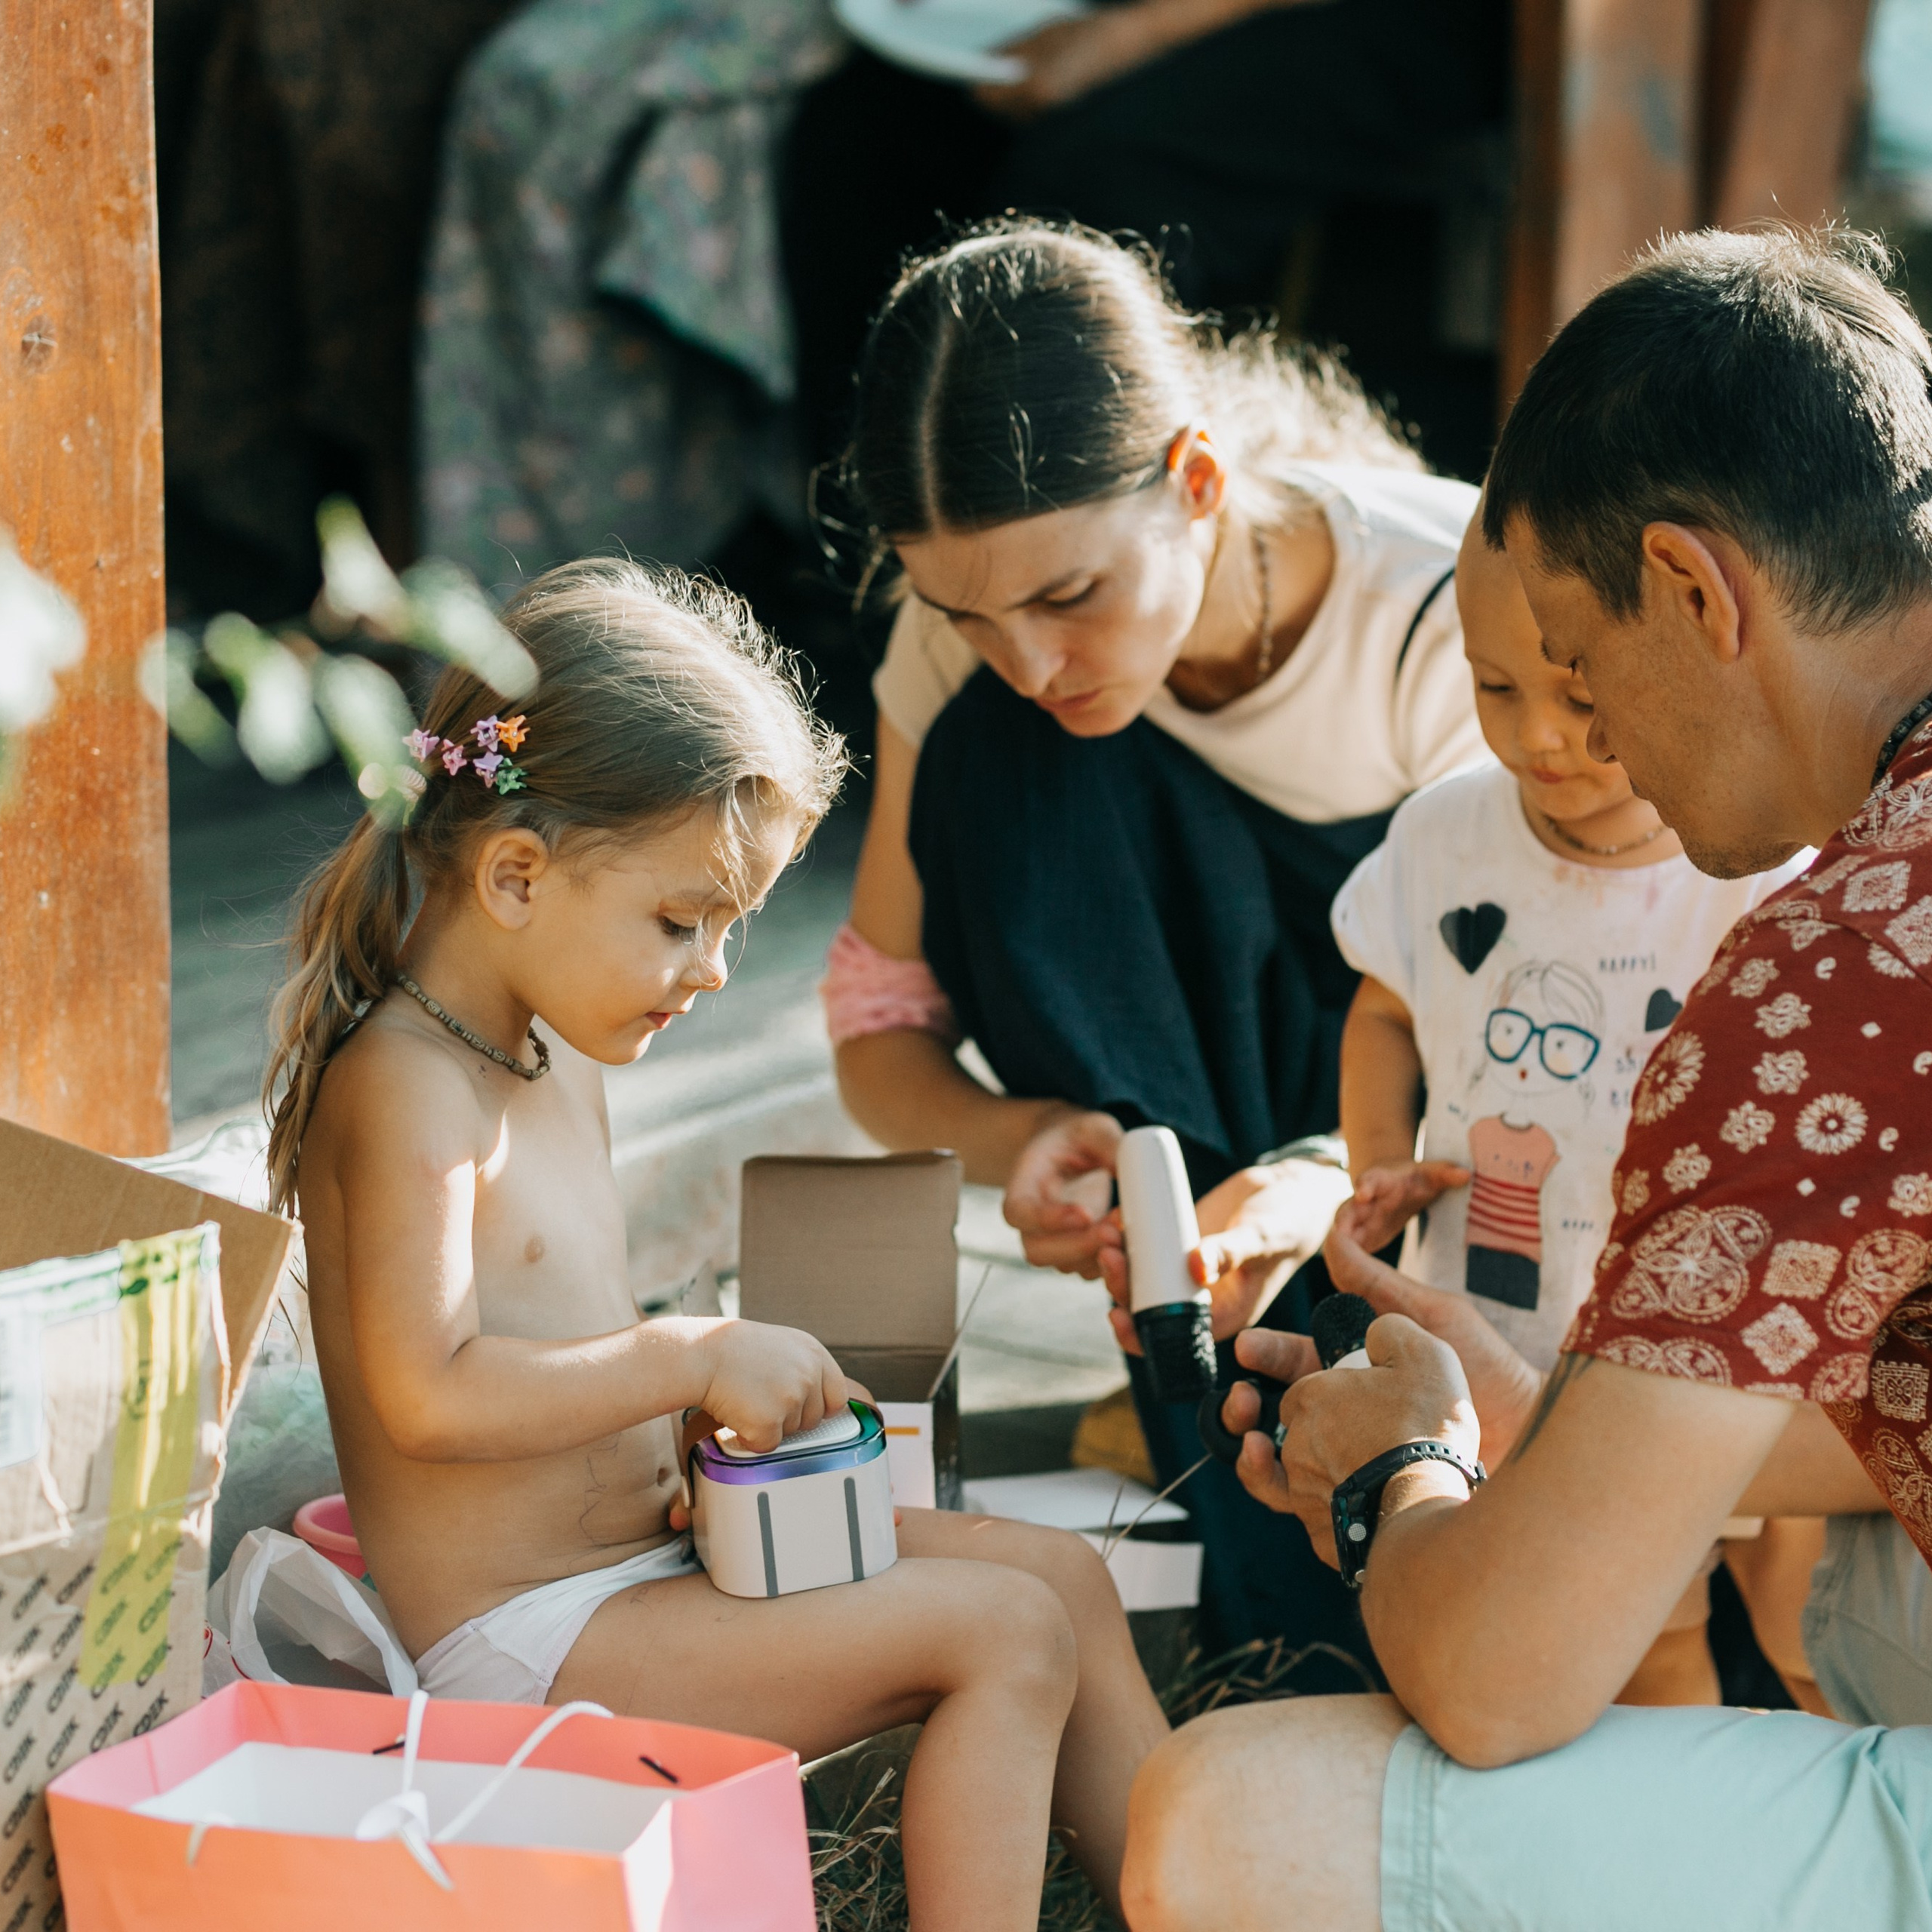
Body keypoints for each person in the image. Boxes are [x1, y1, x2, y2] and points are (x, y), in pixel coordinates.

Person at [1118, 226, 1932, 1932]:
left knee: (1216, 1814)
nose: (1580, 730)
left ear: (1696, 592)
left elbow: (1494, 1678)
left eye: (1580, 654)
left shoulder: (1819, 983)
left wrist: (1396, 1464)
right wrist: (1556, 1412)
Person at [263, 558, 1167, 1932]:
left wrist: (698, 1454)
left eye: (729, 926)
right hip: (530, 1643)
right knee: (1004, 1634)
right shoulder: (406, 1088)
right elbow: (426, 1394)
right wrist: (692, 1358)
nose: (715, 970)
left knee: (1063, 1577)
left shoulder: (553, 1056)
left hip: (650, 1563)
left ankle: (1209, 1892)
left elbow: (568, 1337)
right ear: (516, 873)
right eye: (681, 921)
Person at [820, 218, 1490, 1667]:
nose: (1031, 659)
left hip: (1452, 1130)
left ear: (1196, 480)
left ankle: (1374, 1558)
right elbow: (880, 1027)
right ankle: (1206, 1401)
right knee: (1013, 761)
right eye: (965, 612)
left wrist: (1314, 1183)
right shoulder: (978, 657)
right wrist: (1043, 1137)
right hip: (1196, 1143)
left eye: (1072, 598)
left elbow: (1558, 1037)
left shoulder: (1448, 616)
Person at [1329, 509, 1814, 1703]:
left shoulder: (1753, 863)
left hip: (1707, 1363)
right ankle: (1661, 1860)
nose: (1539, 736)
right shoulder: (1444, 839)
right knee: (1635, 1635)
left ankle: (1838, 1834)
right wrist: (1380, 1164)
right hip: (1497, 1325)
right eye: (1495, 687)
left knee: (1807, 1623)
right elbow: (1385, 1011)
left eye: (1580, 695)